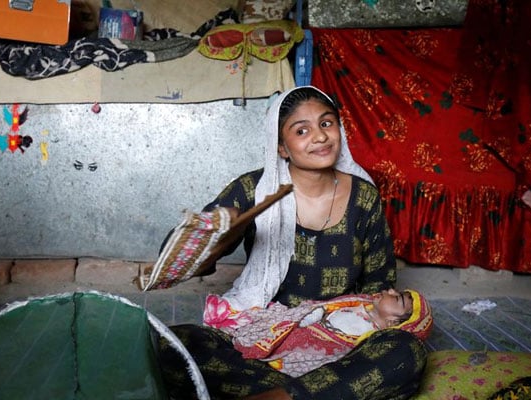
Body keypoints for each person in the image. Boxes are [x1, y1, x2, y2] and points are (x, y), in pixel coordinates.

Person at [159, 86, 429, 400]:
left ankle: (279, 396)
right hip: (263, 338)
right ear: (282, 148)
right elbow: (180, 258)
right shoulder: (254, 190)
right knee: (174, 344)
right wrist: (221, 235)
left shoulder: (363, 197)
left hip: (338, 342)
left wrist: (337, 331)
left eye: (327, 124)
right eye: (302, 130)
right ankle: (301, 394)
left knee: (405, 352)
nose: (320, 136)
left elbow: (379, 284)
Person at [203, 288, 433, 378]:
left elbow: (342, 353)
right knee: (274, 328)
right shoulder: (360, 302)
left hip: (319, 344)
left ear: (395, 321)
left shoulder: (372, 338)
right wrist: (311, 316)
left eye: (398, 299)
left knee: (301, 354)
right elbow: (324, 307)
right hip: (309, 325)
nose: (391, 290)